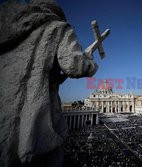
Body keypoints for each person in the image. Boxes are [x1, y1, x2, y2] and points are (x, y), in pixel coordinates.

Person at [0, 0, 98, 166]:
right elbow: (74, 66)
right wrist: (89, 62)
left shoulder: (5, 28)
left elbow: (45, 76)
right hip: (34, 112)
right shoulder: (58, 27)